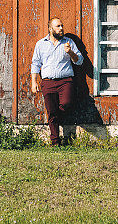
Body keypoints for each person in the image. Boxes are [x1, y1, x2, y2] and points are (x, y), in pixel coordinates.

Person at [31, 17, 83, 145]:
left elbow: (80, 61)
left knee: (66, 103)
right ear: (50, 29)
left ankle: (57, 116)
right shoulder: (41, 44)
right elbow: (35, 63)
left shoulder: (68, 42)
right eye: (58, 26)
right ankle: (55, 141)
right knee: (51, 112)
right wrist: (34, 81)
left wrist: (70, 52)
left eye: (62, 26)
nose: (61, 29)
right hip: (47, 82)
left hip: (65, 81)